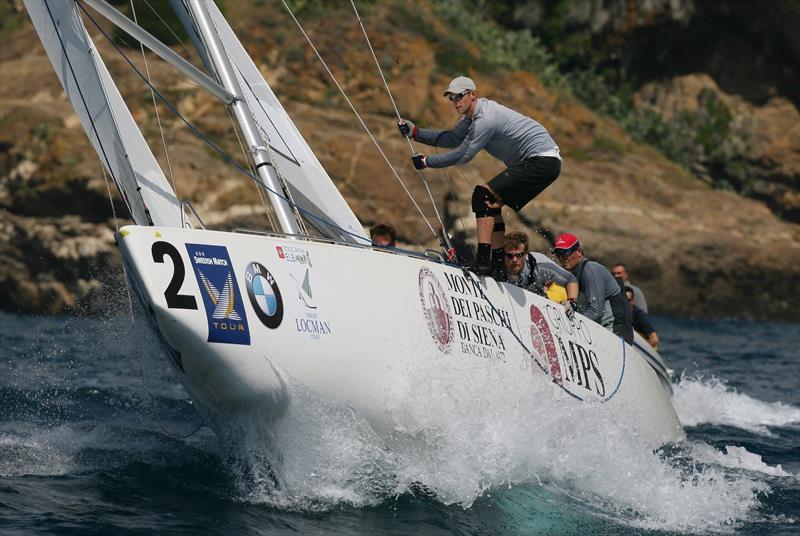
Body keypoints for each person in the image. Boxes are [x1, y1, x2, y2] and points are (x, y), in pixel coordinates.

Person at [398, 76, 561, 276]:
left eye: (459, 96)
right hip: (542, 162)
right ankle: (499, 267)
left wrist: (426, 161)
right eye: (451, 98)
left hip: (542, 161)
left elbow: (463, 155)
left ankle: (483, 263)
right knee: (491, 204)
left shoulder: (485, 119)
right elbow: (452, 138)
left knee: (481, 196)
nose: (455, 102)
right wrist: (416, 132)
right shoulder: (472, 118)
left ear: (473, 95)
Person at [552, 232, 633, 344]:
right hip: (600, 329)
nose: (562, 258)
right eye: (559, 254)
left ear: (579, 252)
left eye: (566, 253)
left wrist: (570, 327)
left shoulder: (591, 270)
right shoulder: (572, 275)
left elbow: (596, 311)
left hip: (617, 331)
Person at [502, 231, 579, 319]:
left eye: (519, 255)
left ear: (525, 254)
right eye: (510, 256)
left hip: (538, 309)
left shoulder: (539, 264)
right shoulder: (496, 265)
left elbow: (571, 280)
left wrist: (572, 302)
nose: (514, 260)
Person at [626, 286, 659, 350]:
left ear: (632, 301)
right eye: (624, 300)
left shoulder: (639, 315)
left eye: (628, 300)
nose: (626, 303)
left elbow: (654, 339)